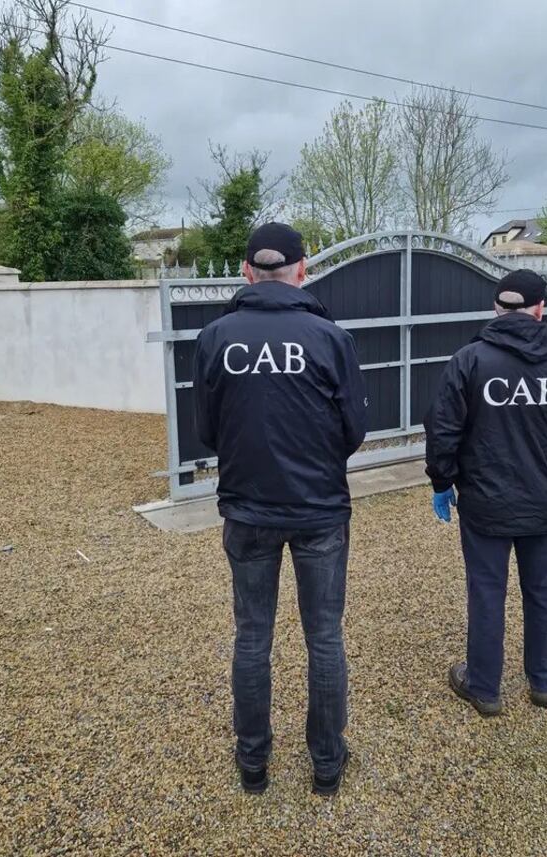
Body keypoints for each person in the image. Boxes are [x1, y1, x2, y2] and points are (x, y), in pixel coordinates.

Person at [193, 222, 367, 795]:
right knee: (324, 636)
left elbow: (208, 431)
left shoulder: (216, 337)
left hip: (247, 510)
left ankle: (253, 764)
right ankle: (325, 763)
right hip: (318, 509)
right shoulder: (329, 337)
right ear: (302, 269)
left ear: (246, 271)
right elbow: (353, 430)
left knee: (252, 635)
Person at [425, 269, 547, 716]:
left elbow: (442, 427)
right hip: (545, 499)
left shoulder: (470, 360)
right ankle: (544, 682)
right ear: (540, 309)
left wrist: (442, 481)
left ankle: (485, 687)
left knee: (487, 591)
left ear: (497, 308)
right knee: (545, 591)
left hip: (486, 501)